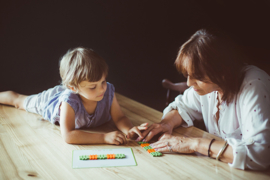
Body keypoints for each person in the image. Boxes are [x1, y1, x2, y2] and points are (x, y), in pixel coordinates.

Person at [139, 29, 270, 170]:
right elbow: (182, 106)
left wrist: (193, 144)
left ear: (222, 72)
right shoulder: (211, 87)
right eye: (188, 75)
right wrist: (166, 123)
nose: (189, 83)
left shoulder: (254, 85)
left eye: (197, 76)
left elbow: (261, 154)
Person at [0, 47, 147, 145]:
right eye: (93, 86)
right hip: (51, 100)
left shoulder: (107, 90)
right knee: (18, 101)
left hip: (70, 90)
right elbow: (68, 135)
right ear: (73, 88)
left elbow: (120, 117)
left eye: (103, 81)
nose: (102, 88)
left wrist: (129, 130)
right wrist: (103, 137)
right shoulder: (69, 101)